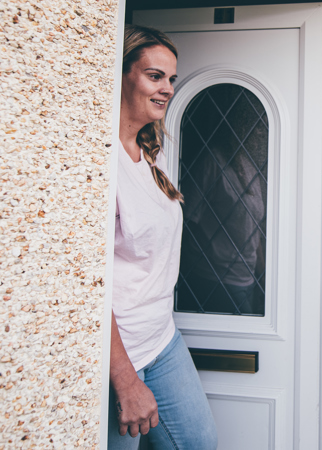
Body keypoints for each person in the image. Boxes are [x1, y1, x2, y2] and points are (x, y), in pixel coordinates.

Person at [109, 24, 217, 450]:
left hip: (162, 337)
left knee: (199, 443)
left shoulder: (152, 154)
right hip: (118, 352)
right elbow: (85, 287)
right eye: (155, 76)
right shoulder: (101, 164)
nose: (168, 88)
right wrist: (124, 380)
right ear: (120, 75)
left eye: (171, 78)